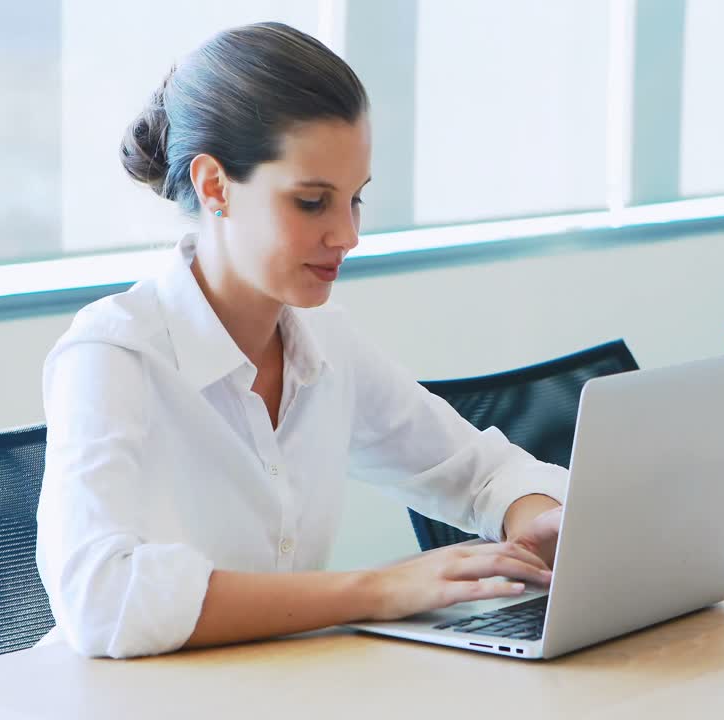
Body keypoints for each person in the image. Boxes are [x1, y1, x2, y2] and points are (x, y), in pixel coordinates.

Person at [34, 22, 566, 660]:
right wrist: (374, 589)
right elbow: (101, 598)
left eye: (355, 201)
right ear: (214, 186)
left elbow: (480, 474)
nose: (347, 236)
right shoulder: (111, 355)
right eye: (312, 203)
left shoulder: (324, 341)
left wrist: (539, 520)